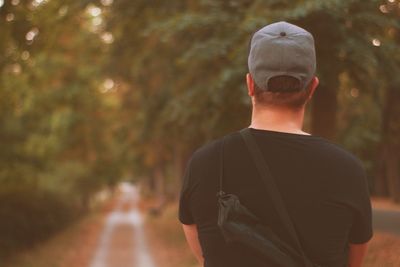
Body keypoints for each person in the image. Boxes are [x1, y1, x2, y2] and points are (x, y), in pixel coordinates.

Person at [178, 21, 372, 267]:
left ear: (250, 84)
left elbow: (203, 254)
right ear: (312, 87)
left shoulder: (204, 164)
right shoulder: (348, 170)